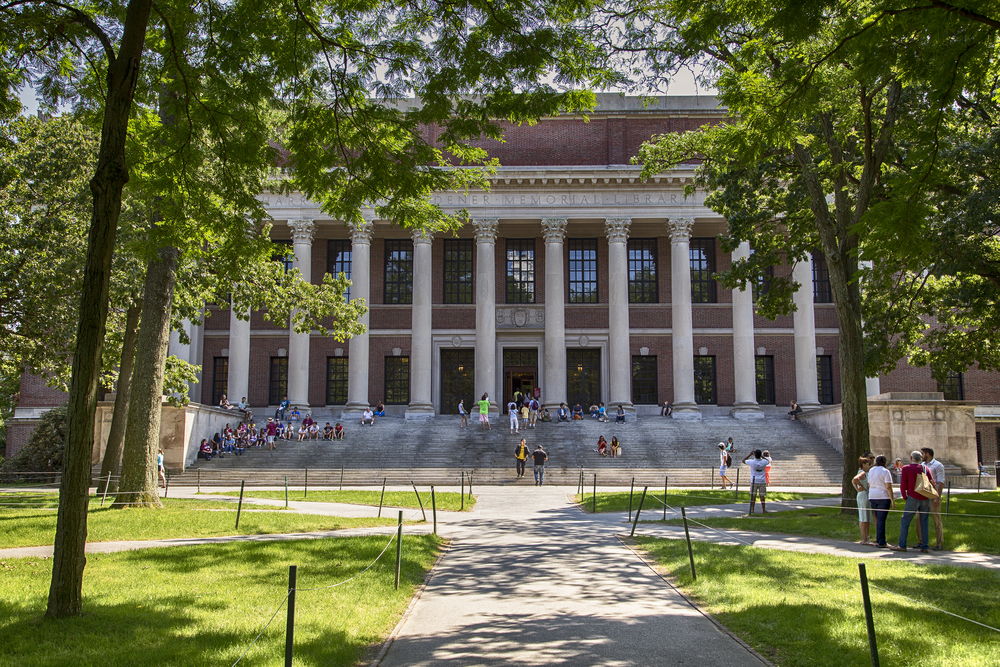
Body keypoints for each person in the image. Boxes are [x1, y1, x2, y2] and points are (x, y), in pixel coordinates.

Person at [892, 450, 936, 553]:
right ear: (920, 459)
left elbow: (903, 484)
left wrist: (904, 496)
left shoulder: (906, 468)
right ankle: (925, 546)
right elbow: (932, 482)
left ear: (911, 458)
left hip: (912, 497)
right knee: (924, 522)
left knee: (905, 521)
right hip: (925, 498)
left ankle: (902, 545)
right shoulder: (925, 469)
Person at [867, 455, 894, 548]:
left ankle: (879, 539)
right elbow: (888, 486)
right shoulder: (885, 471)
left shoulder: (871, 470)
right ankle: (882, 541)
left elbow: (869, 483)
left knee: (878, 518)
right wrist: (892, 499)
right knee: (881, 519)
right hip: (883, 496)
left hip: (872, 496)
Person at [921, 447, 946, 550]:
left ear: (927, 454)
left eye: (922, 453)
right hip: (923, 495)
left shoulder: (938, 465)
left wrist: (937, 497)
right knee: (920, 519)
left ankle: (939, 543)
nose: (921, 455)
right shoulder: (922, 465)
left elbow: (941, 482)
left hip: (933, 495)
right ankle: (921, 541)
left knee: (937, 519)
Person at [853, 456, 875, 545]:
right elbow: (855, 479)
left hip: (867, 494)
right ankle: (864, 539)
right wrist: (859, 487)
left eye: (869, 464)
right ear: (863, 465)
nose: (868, 466)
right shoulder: (862, 472)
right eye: (867, 464)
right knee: (863, 517)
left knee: (867, 517)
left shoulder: (867, 472)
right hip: (863, 495)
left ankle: (867, 537)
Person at [742, 449, 769, 514]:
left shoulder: (752, 462)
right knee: (762, 496)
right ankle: (763, 510)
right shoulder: (763, 462)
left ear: (754, 455)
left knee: (753, 496)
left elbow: (743, 461)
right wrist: (762, 456)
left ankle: (752, 509)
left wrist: (749, 454)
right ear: (760, 455)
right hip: (762, 480)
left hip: (754, 480)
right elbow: (767, 461)